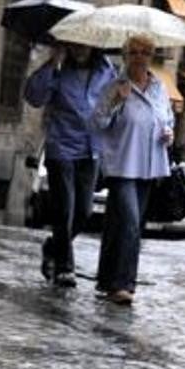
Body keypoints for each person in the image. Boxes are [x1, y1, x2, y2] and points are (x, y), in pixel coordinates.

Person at [24, 41, 117, 287]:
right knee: (64, 209)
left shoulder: (107, 71)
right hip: (61, 147)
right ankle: (65, 267)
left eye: (84, 44)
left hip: (92, 149)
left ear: (94, 45)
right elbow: (33, 97)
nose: (79, 48)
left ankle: (52, 247)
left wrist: (115, 108)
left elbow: (112, 112)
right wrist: (52, 62)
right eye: (74, 44)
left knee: (84, 211)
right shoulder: (58, 69)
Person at [92, 34, 173, 305]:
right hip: (122, 164)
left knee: (122, 224)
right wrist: (117, 101)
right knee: (129, 224)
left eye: (145, 53)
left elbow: (167, 117)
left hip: (149, 167)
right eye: (134, 52)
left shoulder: (159, 88)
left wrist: (168, 131)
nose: (140, 58)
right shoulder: (115, 85)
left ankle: (106, 280)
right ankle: (123, 285)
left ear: (151, 57)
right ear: (126, 56)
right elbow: (97, 122)